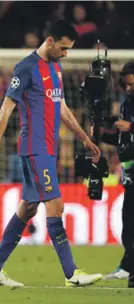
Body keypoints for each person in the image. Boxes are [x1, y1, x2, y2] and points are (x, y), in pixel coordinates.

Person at [0, 20, 102, 287]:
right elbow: (6, 109)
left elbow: (63, 107)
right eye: (64, 48)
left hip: (48, 149)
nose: (66, 53)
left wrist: (84, 139)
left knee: (28, 208)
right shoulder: (25, 68)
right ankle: (72, 274)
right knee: (56, 205)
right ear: (50, 42)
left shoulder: (55, 67)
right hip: (35, 149)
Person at [100, 62, 134, 288]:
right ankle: (128, 267)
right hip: (130, 171)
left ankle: (130, 272)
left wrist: (131, 127)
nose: (130, 87)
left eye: (133, 83)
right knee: (128, 229)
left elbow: (129, 131)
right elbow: (122, 139)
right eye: (127, 84)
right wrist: (101, 133)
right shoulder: (127, 104)